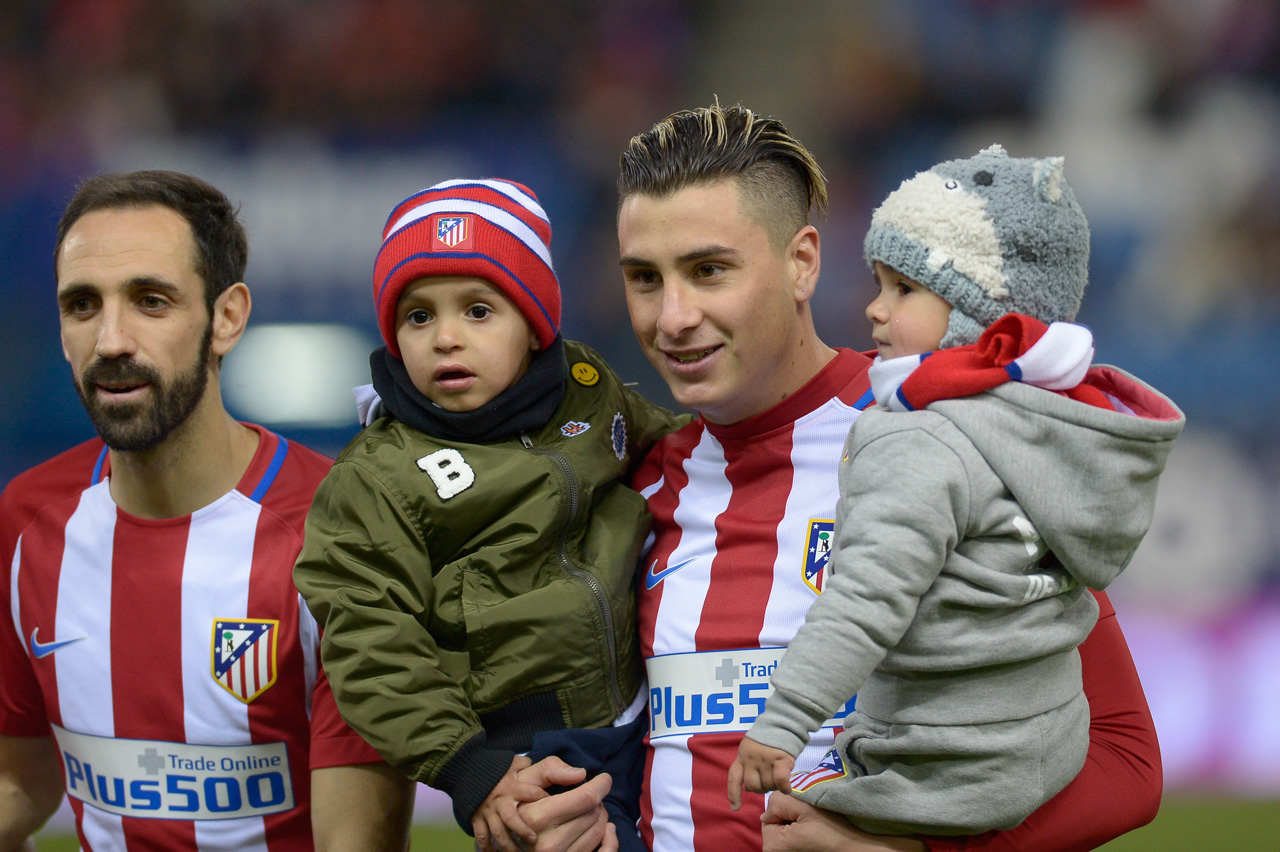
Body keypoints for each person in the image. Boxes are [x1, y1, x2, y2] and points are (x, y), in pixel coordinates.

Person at [606, 103, 1163, 852]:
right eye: (645, 278)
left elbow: (1126, 761)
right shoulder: (633, 488)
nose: (672, 316)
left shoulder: (952, 435)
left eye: (709, 271)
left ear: (803, 262)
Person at [729, 146, 1184, 836]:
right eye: (879, 284)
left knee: (784, 827)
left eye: (904, 290)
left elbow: (865, 602)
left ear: (980, 310)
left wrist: (784, 722)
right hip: (1048, 749)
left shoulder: (920, 440)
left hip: (940, 769)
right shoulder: (1051, 429)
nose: (875, 310)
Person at [0, 170, 415, 852]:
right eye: (82, 305)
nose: (111, 340)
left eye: (150, 301)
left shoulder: (343, 531)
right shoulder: (28, 520)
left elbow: (358, 839)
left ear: (227, 318)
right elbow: (19, 779)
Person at [292, 179, 685, 852]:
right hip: (534, 760)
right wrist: (470, 768)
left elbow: (684, 456)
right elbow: (369, 643)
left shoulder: (588, 389)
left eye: (478, 311)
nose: (445, 338)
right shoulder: (376, 477)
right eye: (418, 317)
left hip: (654, 712)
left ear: (533, 325)